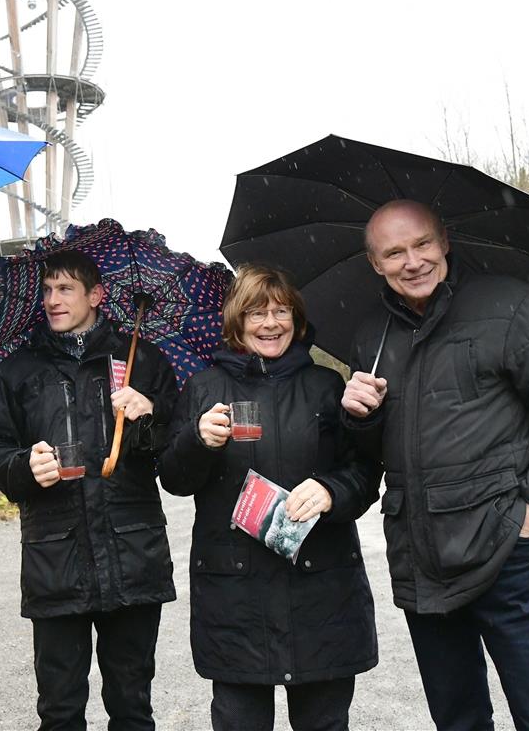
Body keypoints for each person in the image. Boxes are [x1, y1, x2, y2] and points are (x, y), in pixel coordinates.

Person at [341, 200, 529, 731]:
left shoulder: (510, 305)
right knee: (458, 720)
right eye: (394, 252)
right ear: (375, 263)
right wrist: (361, 419)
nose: (412, 261)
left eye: (422, 244)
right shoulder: (372, 337)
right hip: (419, 559)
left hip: (505, 553)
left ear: (444, 241)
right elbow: (377, 456)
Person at [158, 264, 381, 731]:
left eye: (281, 311)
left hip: (320, 591)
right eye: (256, 313)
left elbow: (363, 475)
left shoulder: (326, 387)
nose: (270, 323)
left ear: (297, 321)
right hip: (235, 597)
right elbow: (175, 479)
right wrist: (196, 441)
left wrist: (329, 490)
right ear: (236, 323)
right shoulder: (204, 388)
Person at [0, 249, 178, 731]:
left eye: (64, 288)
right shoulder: (19, 369)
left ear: (96, 294)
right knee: (60, 711)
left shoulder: (141, 358)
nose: (51, 300)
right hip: (55, 561)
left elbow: (174, 455)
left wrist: (148, 414)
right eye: (46, 290)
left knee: (132, 707)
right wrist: (25, 467)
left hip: (132, 556)